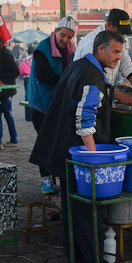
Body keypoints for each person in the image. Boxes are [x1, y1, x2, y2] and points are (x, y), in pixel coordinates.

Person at [29, 30, 124, 263]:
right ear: (100, 49)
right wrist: (93, 158)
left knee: (71, 210)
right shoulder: (92, 75)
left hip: (64, 152)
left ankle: (76, 262)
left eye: (120, 53)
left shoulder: (78, 66)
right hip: (79, 158)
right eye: (115, 51)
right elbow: (83, 118)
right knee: (87, 212)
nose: (118, 58)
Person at [27, 17, 77, 194]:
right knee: (45, 140)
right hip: (41, 102)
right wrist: (67, 84)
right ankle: (45, 179)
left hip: (59, 101)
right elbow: (43, 76)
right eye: (63, 35)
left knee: (59, 141)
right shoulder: (42, 49)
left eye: (69, 37)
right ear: (56, 31)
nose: (65, 40)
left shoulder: (71, 50)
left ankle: (60, 175)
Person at [73, 9, 132, 106]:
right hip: (86, 99)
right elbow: (95, 82)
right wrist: (120, 96)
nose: (121, 36)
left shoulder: (116, 41)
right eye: (119, 32)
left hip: (105, 97)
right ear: (109, 25)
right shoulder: (90, 44)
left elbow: (127, 65)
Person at [0, 35, 19, 150]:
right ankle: (1, 141)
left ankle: (10, 140)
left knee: (6, 114)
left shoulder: (6, 55)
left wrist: (5, 81)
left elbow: (16, 71)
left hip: (6, 91)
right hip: (3, 90)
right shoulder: (2, 54)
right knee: (0, 114)